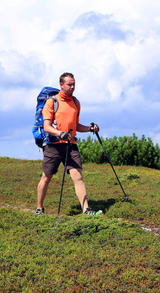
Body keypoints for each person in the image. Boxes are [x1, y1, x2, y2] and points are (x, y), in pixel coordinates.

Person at [36, 72, 100, 216]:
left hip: (70, 145)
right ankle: (39, 208)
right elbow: (47, 126)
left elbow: (76, 125)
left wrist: (90, 129)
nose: (72, 87)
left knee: (78, 176)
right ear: (61, 85)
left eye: (74, 84)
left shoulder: (76, 102)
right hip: (53, 145)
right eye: (69, 84)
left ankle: (86, 210)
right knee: (47, 176)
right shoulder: (52, 102)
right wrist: (60, 133)